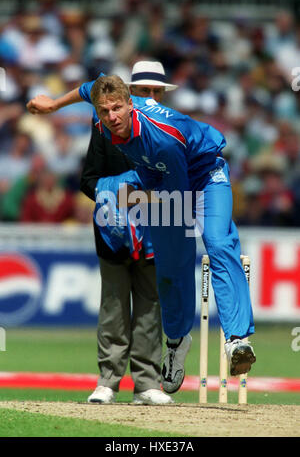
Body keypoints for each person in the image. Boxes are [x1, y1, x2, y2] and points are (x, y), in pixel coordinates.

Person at [27, 72, 256, 395]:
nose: (111, 117)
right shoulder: (104, 100)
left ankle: (237, 340)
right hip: (155, 172)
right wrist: (53, 105)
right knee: (169, 269)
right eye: (105, 112)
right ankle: (177, 341)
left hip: (202, 175)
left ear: (131, 104)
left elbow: (179, 199)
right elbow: (85, 88)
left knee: (217, 244)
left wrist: (139, 203)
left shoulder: (161, 138)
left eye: (117, 109)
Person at [28, 61, 176, 405]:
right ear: (131, 95)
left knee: (150, 307)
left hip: (155, 232)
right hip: (112, 232)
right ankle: (108, 381)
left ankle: (147, 384)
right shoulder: (103, 128)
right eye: (144, 91)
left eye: (157, 91)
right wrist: (122, 199)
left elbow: (177, 183)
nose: (150, 97)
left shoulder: (170, 131)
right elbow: (87, 179)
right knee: (113, 306)